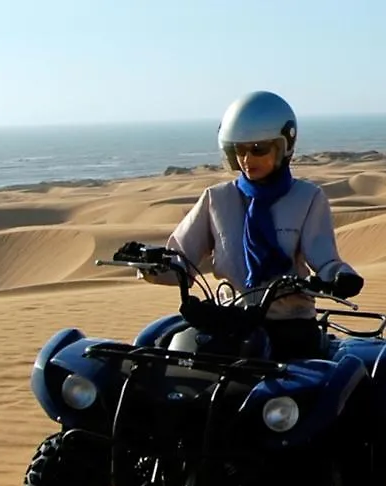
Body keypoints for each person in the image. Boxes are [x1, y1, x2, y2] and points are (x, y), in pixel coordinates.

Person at [141, 90, 364, 362]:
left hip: (288, 325)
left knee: (305, 391)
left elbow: (325, 259)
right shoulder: (216, 198)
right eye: (239, 151)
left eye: (258, 150)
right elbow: (181, 258)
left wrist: (341, 277)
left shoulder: (307, 198)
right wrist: (150, 264)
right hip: (227, 322)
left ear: (284, 146)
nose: (247, 160)